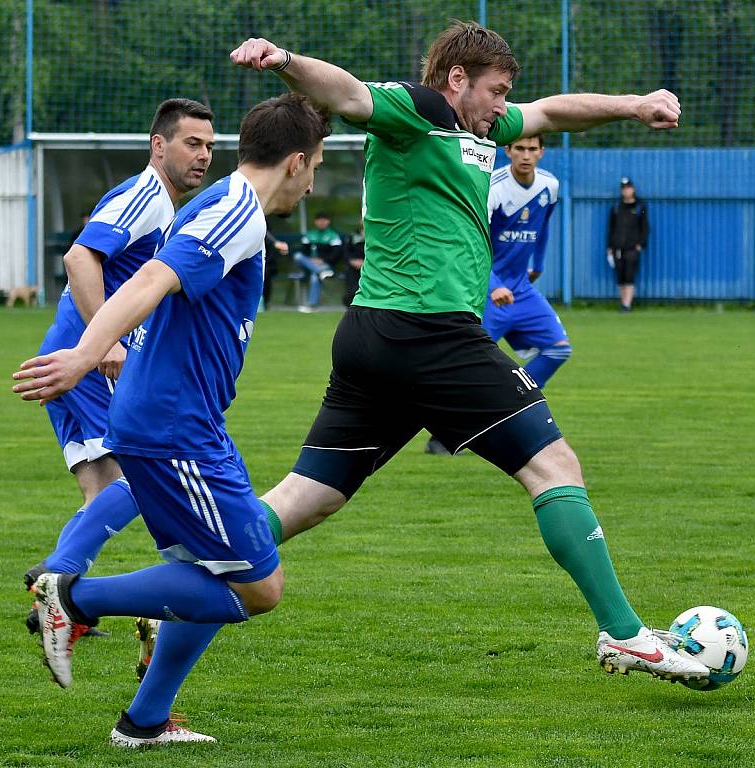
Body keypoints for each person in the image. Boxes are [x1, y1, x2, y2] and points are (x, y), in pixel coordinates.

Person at [230, 22, 709, 683]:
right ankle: (624, 633)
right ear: (457, 80)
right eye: (495, 91)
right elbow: (346, 95)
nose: (503, 108)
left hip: (377, 338)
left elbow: (551, 112)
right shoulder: (419, 111)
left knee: (305, 499)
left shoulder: (480, 132)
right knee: (554, 465)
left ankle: (170, 588)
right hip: (428, 334)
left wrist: (634, 104)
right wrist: (284, 60)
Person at [12, 93, 330, 747]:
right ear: (297, 162)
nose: (316, 178)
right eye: (318, 164)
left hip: (181, 422)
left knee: (210, 572)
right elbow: (151, 278)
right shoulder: (236, 210)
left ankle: (144, 721)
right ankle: (69, 598)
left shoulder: (220, 204)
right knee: (258, 587)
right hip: (173, 428)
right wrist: (86, 355)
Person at [23, 99, 215, 640]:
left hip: (78, 361)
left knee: (104, 492)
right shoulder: (145, 194)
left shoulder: (166, 206)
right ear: (159, 145)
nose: (202, 156)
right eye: (191, 144)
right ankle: (57, 580)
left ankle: (58, 605)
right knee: (142, 476)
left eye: (209, 147)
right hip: (82, 363)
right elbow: (80, 258)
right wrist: (102, 341)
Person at [425, 135, 568, 454]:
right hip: (486, 289)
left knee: (558, 349)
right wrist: (494, 285)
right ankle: (442, 432)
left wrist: (539, 264)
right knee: (465, 366)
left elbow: (543, 228)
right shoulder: (493, 187)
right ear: (508, 151)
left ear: (542, 152)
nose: (527, 155)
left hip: (521, 288)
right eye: (520, 149)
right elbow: (472, 241)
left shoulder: (550, 185)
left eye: (533, 149)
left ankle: (507, 408)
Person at [607, 177, 648, 312]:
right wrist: (610, 247)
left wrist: (641, 244)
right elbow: (611, 228)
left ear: (633, 189)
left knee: (630, 274)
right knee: (620, 275)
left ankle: (627, 305)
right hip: (618, 248)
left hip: (632, 248)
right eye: (624, 189)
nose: (626, 191)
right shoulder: (616, 207)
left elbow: (645, 226)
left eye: (628, 188)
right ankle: (623, 303)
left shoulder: (640, 207)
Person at [293, 210, 341, 311]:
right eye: (319, 220)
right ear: (315, 222)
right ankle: (321, 272)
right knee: (297, 256)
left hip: (325, 264)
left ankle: (312, 305)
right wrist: (311, 260)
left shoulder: (333, 235)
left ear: (328, 221)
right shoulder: (310, 234)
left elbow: (337, 254)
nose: (321, 222)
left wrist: (322, 260)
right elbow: (303, 251)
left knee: (315, 276)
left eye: (324, 220)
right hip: (308, 265)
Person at [343, 220, 364, 307]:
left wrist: (365, 262)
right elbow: (345, 251)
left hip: (371, 266)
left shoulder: (378, 234)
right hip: (353, 266)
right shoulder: (353, 235)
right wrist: (352, 261)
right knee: (352, 291)